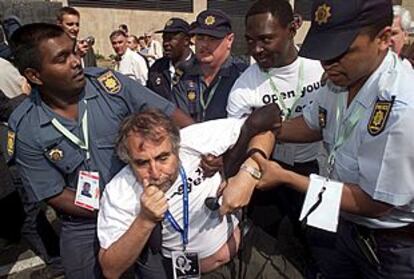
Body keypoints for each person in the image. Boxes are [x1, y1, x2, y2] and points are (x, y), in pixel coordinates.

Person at [8, 23, 192, 279]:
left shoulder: (110, 85)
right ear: (35, 75)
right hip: (84, 223)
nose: (76, 61)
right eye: (62, 58)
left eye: (74, 52)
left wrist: (202, 155)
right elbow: (53, 193)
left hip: (144, 204)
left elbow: (171, 116)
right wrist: (112, 207)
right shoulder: (26, 128)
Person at [245, 0, 414, 278]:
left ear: (383, 38)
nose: (327, 63)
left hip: (391, 245)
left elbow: (378, 202)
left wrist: (286, 177)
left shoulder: (402, 107)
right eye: (324, 52)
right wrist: (269, 128)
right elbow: (314, 124)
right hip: (344, 223)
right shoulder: (340, 80)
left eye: (340, 52)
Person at [97, 108, 302, 279]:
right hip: (197, 274)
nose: (155, 172)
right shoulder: (119, 191)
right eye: (142, 162)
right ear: (128, 160)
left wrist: (247, 173)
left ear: (176, 147)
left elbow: (267, 119)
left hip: (248, 250)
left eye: (163, 158)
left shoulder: (194, 142)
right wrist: (145, 220)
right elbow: (111, 268)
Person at [227, 0, 324, 241]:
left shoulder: (322, 69)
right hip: (266, 170)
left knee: (320, 244)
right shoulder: (243, 87)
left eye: (266, 39)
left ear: (292, 29)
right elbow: (235, 150)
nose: (256, 49)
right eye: (250, 40)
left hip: (318, 171)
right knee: (263, 244)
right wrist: (251, 128)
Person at [172, 9, 248, 122]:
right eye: (200, 38)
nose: (204, 45)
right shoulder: (184, 74)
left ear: (230, 40)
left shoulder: (242, 75)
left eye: (212, 39)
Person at [147, 18, 194, 101]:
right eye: (164, 39)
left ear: (186, 41)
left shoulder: (200, 68)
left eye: (170, 39)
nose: (165, 43)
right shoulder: (157, 68)